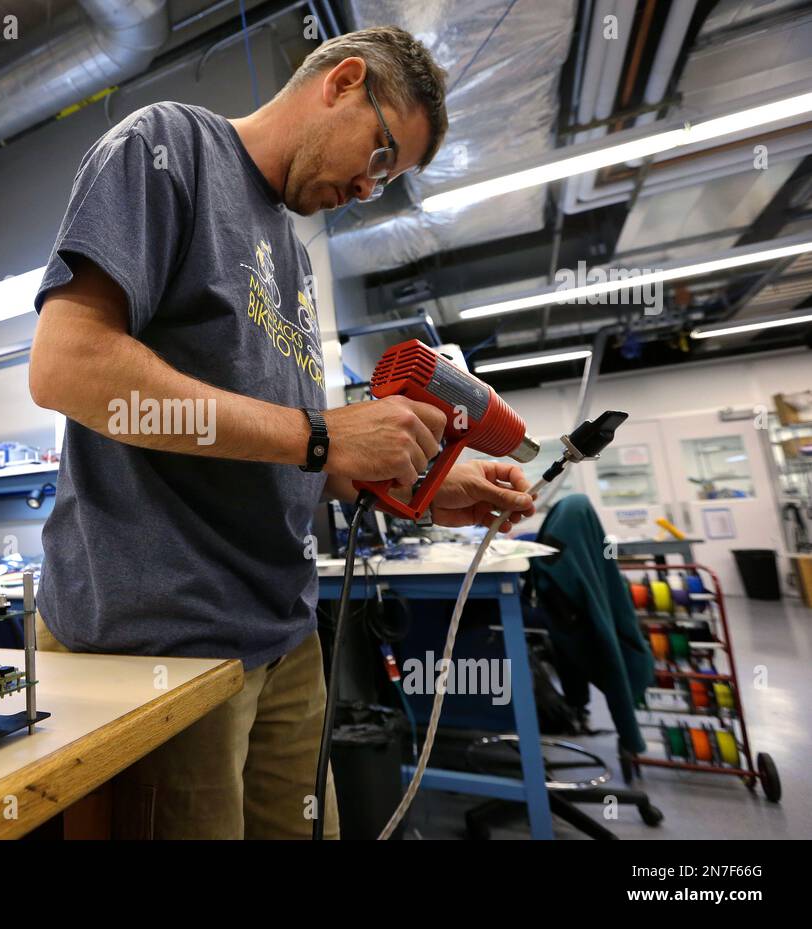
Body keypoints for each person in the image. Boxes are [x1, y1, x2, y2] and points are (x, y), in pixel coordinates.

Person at [27, 26, 535, 838]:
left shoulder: (293, 259)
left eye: (390, 179)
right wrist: (324, 437)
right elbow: (67, 366)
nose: (371, 190)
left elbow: (294, 450)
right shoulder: (168, 148)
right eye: (379, 156)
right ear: (342, 82)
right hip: (165, 637)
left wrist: (423, 487)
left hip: (283, 633)